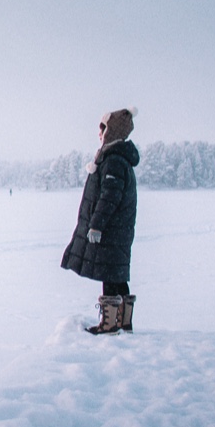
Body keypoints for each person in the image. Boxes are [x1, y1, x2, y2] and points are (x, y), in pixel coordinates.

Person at [62, 108, 138, 334]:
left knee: (110, 273)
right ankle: (123, 322)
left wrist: (96, 225)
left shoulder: (113, 160)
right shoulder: (118, 158)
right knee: (117, 273)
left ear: (111, 131)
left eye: (102, 128)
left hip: (112, 229)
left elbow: (109, 197)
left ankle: (110, 324)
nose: (99, 132)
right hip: (119, 229)